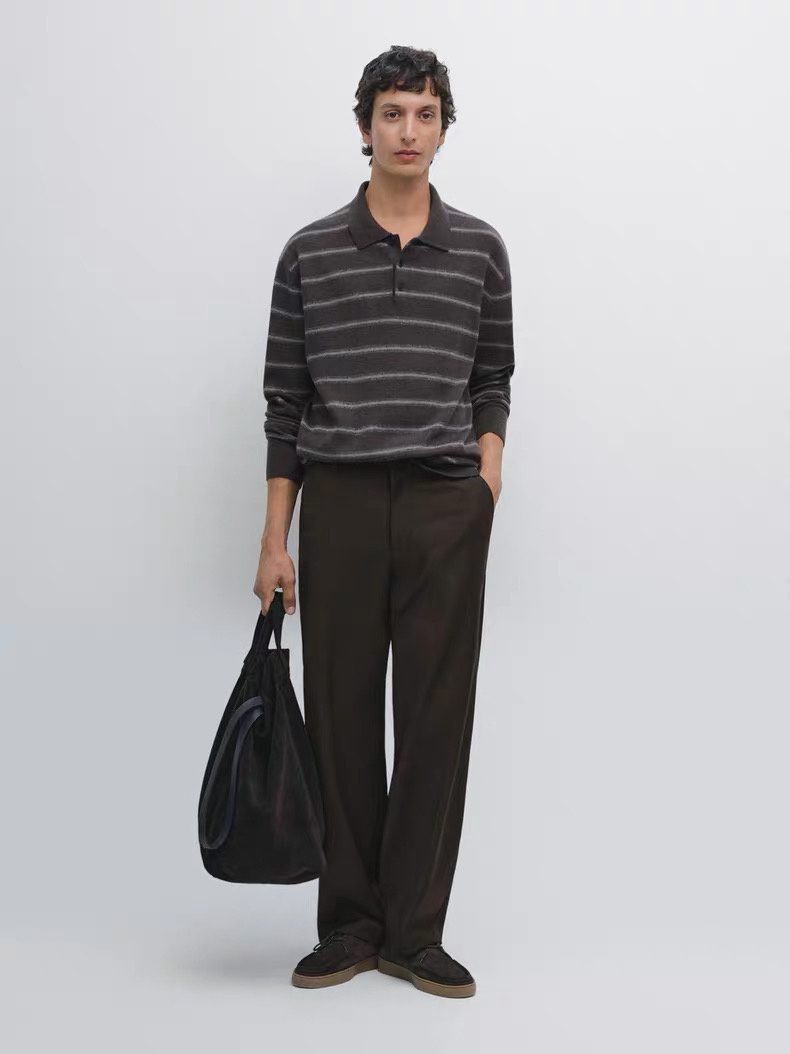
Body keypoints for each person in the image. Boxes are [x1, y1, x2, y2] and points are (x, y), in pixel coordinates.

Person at [253, 45, 515, 999]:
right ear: (364, 127)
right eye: (392, 113)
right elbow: (285, 403)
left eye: (425, 113)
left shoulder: (479, 249)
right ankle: (350, 926)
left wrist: (485, 482)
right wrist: (275, 539)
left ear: (444, 127)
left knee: (438, 718)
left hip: (447, 504)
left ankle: (414, 932)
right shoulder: (310, 252)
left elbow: (493, 377)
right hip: (344, 506)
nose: (409, 131)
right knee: (342, 716)